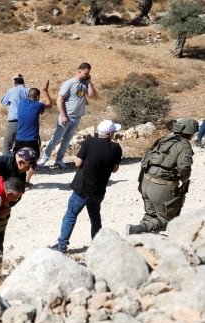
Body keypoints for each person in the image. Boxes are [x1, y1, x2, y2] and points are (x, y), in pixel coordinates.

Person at [52, 120, 123, 252]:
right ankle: (97, 245)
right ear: (110, 133)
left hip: (82, 187)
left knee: (71, 215)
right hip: (99, 189)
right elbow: (114, 169)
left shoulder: (89, 141)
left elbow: (78, 163)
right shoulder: (116, 148)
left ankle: (61, 245)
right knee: (95, 217)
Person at [127, 117, 197, 235]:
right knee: (166, 219)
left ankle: (140, 237)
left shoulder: (165, 139)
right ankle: (137, 230)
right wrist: (184, 180)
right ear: (191, 132)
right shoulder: (184, 146)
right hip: (161, 187)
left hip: (146, 182)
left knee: (151, 214)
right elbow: (184, 169)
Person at [38, 63, 98, 169]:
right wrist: (63, 115)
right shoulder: (69, 83)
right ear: (79, 71)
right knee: (56, 138)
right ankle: (44, 159)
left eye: (88, 73)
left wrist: (89, 83)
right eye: (85, 73)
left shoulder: (85, 83)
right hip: (66, 116)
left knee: (67, 140)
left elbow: (92, 95)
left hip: (77, 116)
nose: (87, 75)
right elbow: (59, 99)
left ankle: (59, 160)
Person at [13, 82, 52, 185]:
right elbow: (49, 105)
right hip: (32, 139)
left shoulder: (21, 103)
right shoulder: (38, 105)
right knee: (34, 160)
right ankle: (26, 181)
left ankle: (15, 179)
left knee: (17, 159)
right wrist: (46, 91)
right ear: (38, 97)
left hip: (19, 138)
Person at [0, 74, 28, 155]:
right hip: (27, 123)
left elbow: (3, 101)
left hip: (14, 122)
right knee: (21, 148)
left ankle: (6, 166)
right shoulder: (29, 90)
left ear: (14, 83)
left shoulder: (12, 90)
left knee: (6, 147)